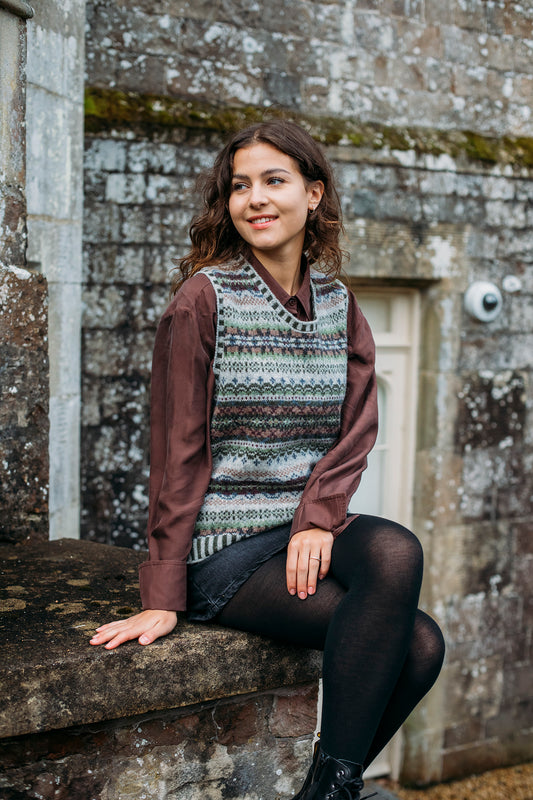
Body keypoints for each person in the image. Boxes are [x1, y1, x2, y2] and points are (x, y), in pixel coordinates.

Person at [90, 120, 445, 800]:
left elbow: (355, 430)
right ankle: (334, 791)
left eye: (273, 181)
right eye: (239, 186)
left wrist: (316, 517)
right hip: (224, 549)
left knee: (404, 574)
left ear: (312, 195)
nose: (253, 197)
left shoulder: (339, 305)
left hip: (300, 530)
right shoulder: (205, 299)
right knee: (414, 640)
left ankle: (325, 788)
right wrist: (164, 591)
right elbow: (175, 451)